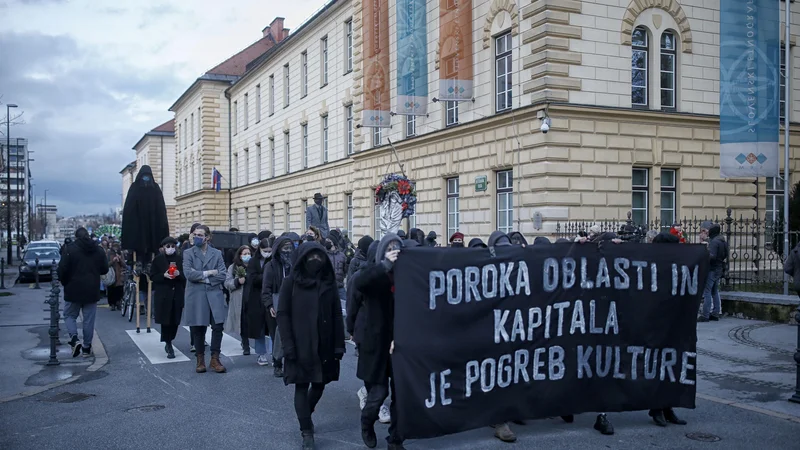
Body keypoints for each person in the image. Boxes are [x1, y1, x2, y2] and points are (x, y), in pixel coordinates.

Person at [277, 242, 345, 450]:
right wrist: (288, 345)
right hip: (300, 345)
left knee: (319, 384)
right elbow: (283, 314)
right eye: (311, 257)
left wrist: (338, 345)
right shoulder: (291, 283)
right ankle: (306, 430)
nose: (316, 261)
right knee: (301, 385)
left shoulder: (328, 282)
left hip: (324, 344)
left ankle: (307, 411)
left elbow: (336, 314)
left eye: (320, 257)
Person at [354, 233, 411, 450]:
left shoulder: (407, 275)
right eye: (390, 248)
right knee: (378, 394)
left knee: (401, 396)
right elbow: (359, 283)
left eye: (398, 248)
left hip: (401, 343)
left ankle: (395, 440)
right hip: (376, 344)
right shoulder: (373, 273)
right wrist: (384, 266)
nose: (394, 251)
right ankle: (367, 422)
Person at [57, 228, 109, 358]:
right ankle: (86, 347)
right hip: (91, 289)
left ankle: (74, 339)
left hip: (73, 288)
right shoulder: (98, 250)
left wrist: (64, 282)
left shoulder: (69, 249)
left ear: (76, 237)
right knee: (88, 320)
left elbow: (62, 269)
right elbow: (104, 269)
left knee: (69, 315)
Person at [183, 225, 228, 374]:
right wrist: (209, 272)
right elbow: (189, 274)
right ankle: (200, 359)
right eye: (195, 234)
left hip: (214, 293)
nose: (196, 237)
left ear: (207, 237)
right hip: (196, 295)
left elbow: (222, 274)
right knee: (198, 327)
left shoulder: (216, 253)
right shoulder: (188, 253)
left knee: (217, 327)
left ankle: (215, 358)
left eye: (200, 235)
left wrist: (203, 278)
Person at [262, 235, 295, 376]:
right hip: (277, 300)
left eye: (290, 248)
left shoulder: (296, 264)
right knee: (279, 334)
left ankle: (292, 361)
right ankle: (277, 362)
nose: (288, 251)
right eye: (285, 248)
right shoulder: (271, 266)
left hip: (294, 300)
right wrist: (270, 305)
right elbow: (266, 289)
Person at [150, 237, 185, 359]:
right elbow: (152, 276)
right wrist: (163, 275)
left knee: (175, 320)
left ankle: (171, 338)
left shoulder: (180, 259)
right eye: (168, 246)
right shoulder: (158, 260)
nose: (170, 249)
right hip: (164, 294)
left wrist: (179, 274)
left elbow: (186, 276)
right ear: (163, 247)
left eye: (172, 246)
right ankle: (168, 343)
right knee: (166, 320)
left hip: (177, 294)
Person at [246, 238, 273, 365]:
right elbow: (251, 278)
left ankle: (275, 354)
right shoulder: (253, 261)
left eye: (269, 251)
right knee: (259, 327)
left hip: (271, 295)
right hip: (256, 296)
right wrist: (266, 277)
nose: (267, 253)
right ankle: (261, 353)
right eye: (265, 250)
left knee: (274, 326)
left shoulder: (274, 260)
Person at [698, 222, 728, 322]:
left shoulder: (714, 242)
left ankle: (705, 315)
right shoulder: (722, 240)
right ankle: (715, 313)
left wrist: (704, 253)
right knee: (715, 291)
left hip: (712, 269)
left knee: (707, 292)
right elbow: (726, 254)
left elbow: (712, 256)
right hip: (719, 268)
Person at [225, 245, 251, 355]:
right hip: (239, 298)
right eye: (244, 254)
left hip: (252, 297)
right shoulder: (233, 267)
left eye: (249, 253)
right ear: (240, 255)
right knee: (243, 322)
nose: (247, 256)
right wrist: (237, 282)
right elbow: (227, 283)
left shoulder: (253, 266)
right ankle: (245, 344)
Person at [325, 237, 347, 310]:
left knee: (345, 307)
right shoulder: (324, 254)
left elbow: (345, 269)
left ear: (333, 242)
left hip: (340, 286)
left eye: (329, 240)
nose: (326, 242)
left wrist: (342, 279)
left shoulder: (342, 255)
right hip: (328, 286)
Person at [106, 242, 126, 311]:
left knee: (119, 289)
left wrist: (120, 259)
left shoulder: (121, 253)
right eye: (114, 247)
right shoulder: (109, 253)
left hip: (119, 275)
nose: (115, 248)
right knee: (111, 290)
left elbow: (124, 265)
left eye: (117, 247)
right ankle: (112, 304)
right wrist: (113, 261)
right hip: (111, 274)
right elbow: (106, 264)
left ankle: (118, 303)